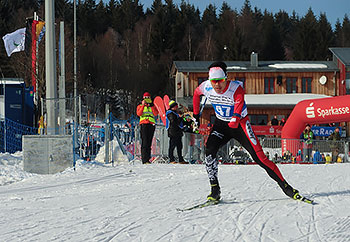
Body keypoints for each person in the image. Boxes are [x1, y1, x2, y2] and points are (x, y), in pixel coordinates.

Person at [192, 61, 303, 202]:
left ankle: (286, 187)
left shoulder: (235, 88)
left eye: (220, 81)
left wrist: (236, 117)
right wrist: (196, 115)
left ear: (226, 78)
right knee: (209, 151)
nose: (217, 85)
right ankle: (215, 190)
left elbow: (239, 101)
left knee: (260, 158)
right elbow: (196, 94)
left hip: (240, 125)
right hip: (221, 124)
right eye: (214, 81)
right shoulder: (206, 87)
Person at [136, 92, 158, 164]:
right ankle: (144, 159)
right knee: (144, 142)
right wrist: (143, 105)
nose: (147, 99)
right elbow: (139, 114)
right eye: (145, 98)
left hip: (151, 124)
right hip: (144, 124)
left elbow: (155, 113)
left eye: (148, 98)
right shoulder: (140, 106)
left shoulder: (152, 106)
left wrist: (151, 105)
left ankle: (148, 158)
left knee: (149, 142)